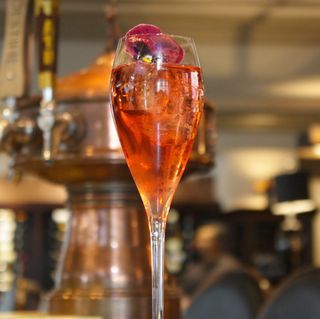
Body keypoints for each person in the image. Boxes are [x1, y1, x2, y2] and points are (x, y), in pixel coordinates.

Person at [180, 222, 242, 310]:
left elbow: (210, 293)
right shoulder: (197, 267)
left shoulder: (229, 266)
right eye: (198, 240)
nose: (199, 244)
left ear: (218, 242)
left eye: (205, 241)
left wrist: (190, 303)